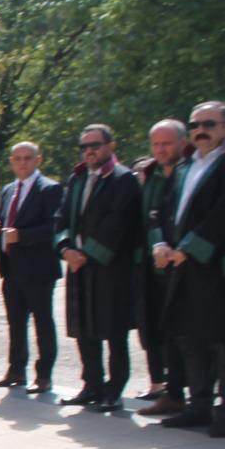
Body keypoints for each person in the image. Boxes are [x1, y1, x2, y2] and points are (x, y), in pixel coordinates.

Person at [55, 124, 143, 412]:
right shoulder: (78, 179)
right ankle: (91, 384)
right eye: (84, 146)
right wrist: (65, 249)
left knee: (113, 331)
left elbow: (118, 224)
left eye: (95, 145)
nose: (89, 151)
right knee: (84, 329)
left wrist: (87, 254)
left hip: (109, 267)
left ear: (111, 146)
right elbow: (62, 219)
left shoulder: (124, 179)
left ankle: (114, 390)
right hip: (78, 266)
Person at [156, 102, 225, 435]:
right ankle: (198, 406)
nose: (201, 130)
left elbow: (221, 216)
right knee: (189, 338)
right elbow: (160, 211)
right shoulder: (184, 167)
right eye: (195, 124)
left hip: (214, 268)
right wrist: (160, 244)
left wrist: (190, 249)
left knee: (220, 341)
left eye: (209, 124)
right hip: (181, 269)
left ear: (223, 128)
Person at [0, 142, 63, 394]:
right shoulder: (9, 190)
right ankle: (16, 370)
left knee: (42, 322)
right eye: (18, 158)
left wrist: (22, 235)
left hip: (38, 268)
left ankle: (43, 376)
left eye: (28, 158)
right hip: (11, 268)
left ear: (37, 160)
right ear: (11, 161)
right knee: (15, 323)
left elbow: (52, 228)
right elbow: (4, 220)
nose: (22, 163)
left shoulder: (49, 189)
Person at [136, 120, 190, 416]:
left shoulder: (190, 171)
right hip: (153, 266)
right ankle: (172, 391)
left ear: (183, 143)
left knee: (191, 335)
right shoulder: (151, 175)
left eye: (167, 143)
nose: (161, 149)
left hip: (186, 264)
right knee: (160, 331)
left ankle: (200, 397)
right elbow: (151, 217)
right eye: (156, 144)